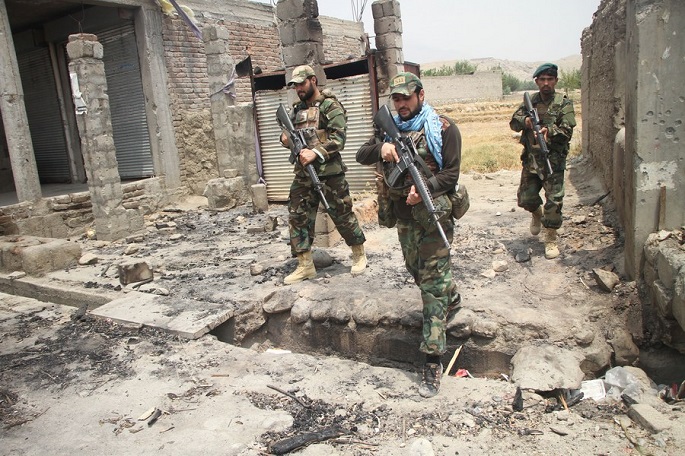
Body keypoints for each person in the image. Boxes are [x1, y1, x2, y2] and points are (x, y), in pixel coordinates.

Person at [356, 72, 462, 398]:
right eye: (396, 99)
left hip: (433, 217)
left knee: (431, 286)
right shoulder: (387, 130)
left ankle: (432, 360)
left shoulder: (444, 128)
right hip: (404, 218)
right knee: (416, 270)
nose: (401, 104)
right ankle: (452, 298)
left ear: (421, 95)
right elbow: (361, 154)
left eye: (406, 97)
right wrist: (383, 149)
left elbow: (451, 174)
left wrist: (425, 188)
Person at [279, 64, 367, 285]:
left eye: (302, 83)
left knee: (342, 213)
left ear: (313, 81)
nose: (298, 88)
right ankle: (305, 265)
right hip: (303, 174)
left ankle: (358, 253)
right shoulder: (296, 110)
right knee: (297, 216)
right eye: (295, 85)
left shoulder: (330, 106)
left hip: (330, 173)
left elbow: (339, 139)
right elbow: (288, 136)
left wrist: (315, 152)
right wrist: (285, 139)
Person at [510, 63, 577, 259]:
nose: (546, 83)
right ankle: (537, 215)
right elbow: (513, 122)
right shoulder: (530, 101)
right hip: (531, 161)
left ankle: (550, 237)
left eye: (550, 79)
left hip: (553, 161)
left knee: (554, 202)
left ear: (556, 81)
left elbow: (567, 130)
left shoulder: (564, 103)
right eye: (542, 79)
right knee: (526, 199)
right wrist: (526, 121)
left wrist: (550, 132)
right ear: (537, 81)